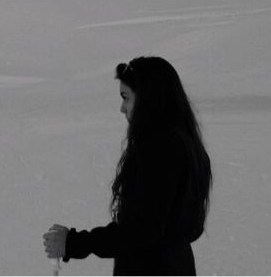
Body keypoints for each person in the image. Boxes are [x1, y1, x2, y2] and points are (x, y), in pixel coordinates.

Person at [43, 56, 212, 275]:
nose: (122, 108)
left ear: (149, 100)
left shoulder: (159, 150)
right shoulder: (188, 147)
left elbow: (141, 231)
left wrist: (74, 244)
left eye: (126, 98)